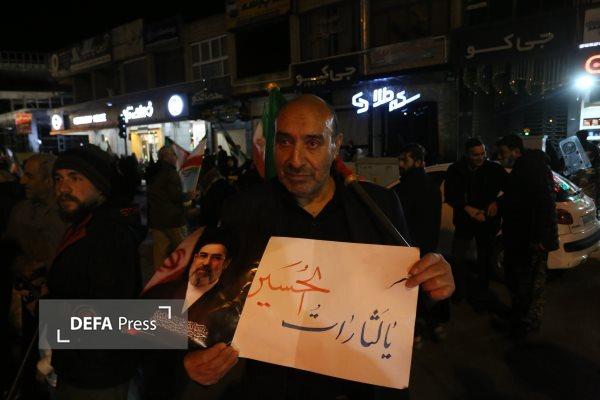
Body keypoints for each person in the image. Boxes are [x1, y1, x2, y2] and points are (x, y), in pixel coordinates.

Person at [182, 95, 455, 399]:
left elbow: (407, 297)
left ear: (336, 145)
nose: (295, 160)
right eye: (285, 142)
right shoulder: (243, 210)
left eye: (312, 143)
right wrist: (188, 357)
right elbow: (189, 298)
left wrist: (435, 284)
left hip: (364, 390)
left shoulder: (378, 205)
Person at [47, 144, 146, 400]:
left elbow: (109, 316)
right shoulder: (85, 223)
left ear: (100, 185)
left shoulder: (107, 235)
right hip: (83, 367)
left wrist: (46, 315)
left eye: (75, 178)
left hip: (95, 378)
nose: (63, 188)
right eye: (58, 179)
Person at [141, 229, 245, 400]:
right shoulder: (162, 291)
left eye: (216, 258)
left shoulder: (227, 309)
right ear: (195, 257)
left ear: (226, 264)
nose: (206, 263)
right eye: (203, 256)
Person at [497, 134, 558, 343]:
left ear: (516, 151)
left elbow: (546, 203)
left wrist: (542, 239)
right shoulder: (522, 168)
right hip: (520, 237)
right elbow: (517, 199)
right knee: (519, 283)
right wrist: (500, 204)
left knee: (530, 286)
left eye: (503, 152)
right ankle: (519, 323)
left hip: (530, 240)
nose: (500, 157)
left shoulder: (533, 167)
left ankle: (527, 328)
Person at [445, 137, 507, 310]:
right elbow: (450, 195)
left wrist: (497, 203)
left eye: (483, 154)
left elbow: (509, 188)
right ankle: (458, 292)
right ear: (467, 154)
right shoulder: (456, 170)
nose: (480, 158)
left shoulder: (494, 169)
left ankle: (482, 292)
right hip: (464, 221)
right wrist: (467, 209)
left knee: (485, 258)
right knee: (457, 257)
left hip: (487, 221)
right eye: (475, 155)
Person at [394, 143, 447, 344]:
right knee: (424, 289)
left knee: (409, 291)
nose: (400, 164)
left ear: (417, 162)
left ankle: (416, 332)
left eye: (404, 160)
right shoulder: (432, 188)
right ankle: (434, 325)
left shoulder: (404, 189)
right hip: (428, 248)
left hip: (408, 249)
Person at [148, 146, 197, 270]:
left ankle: (159, 277)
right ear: (167, 157)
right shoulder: (170, 173)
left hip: (156, 218)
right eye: (173, 155)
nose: (176, 158)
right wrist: (189, 195)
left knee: (160, 252)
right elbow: (175, 196)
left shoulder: (153, 171)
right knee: (182, 248)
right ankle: (184, 273)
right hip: (172, 219)